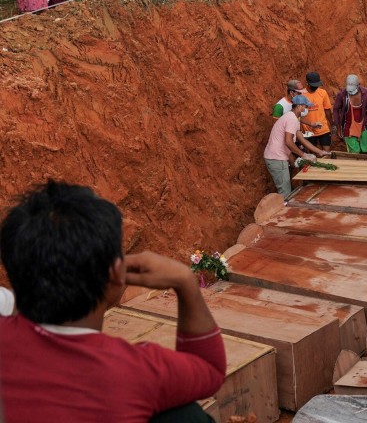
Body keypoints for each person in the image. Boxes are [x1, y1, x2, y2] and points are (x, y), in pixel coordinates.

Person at [0, 181, 230, 422]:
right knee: (185, 417)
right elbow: (210, 370)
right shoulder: (134, 372)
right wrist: (185, 282)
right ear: (115, 272)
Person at [264, 94, 328, 197]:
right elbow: (288, 142)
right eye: (305, 106)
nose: (306, 109)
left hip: (277, 157)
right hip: (276, 158)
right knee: (285, 193)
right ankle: (283, 211)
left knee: (286, 190)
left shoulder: (294, 118)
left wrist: (319, 151)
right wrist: (304, 155)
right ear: (299, 106)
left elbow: (301, 139)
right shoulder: (291, 119)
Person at [333, 74, 367, 154]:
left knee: (365, 151)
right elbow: (335, 110)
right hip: (348, 128)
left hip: (364, 126)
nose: (351, 93)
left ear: (358, 85)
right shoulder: (342, 95)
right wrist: (338, 127)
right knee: (354, 153)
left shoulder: (366, 93)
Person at [303, 71, 333, 150]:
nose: (316, 87)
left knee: (327, 152)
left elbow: (327, 109)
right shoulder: (301, 95)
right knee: (313, 154)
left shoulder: (323, 93)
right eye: (313, 85)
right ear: (307, 83)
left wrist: (332, 123)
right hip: (308, 130)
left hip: (323, 128)